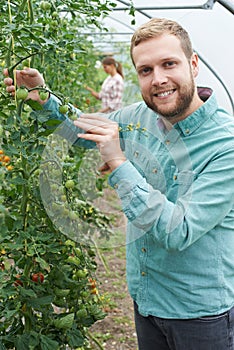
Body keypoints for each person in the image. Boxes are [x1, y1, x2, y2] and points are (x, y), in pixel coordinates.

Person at [4, 17, 234, 350]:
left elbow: (177, 231)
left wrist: (117, 162)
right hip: (147, 298)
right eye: (145, 70)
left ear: (194, 64)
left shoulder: (224, 145)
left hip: (198, 315)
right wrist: (43, 99)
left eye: (169, 64)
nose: (158, 79)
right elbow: (83, 133)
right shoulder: (140, 117)